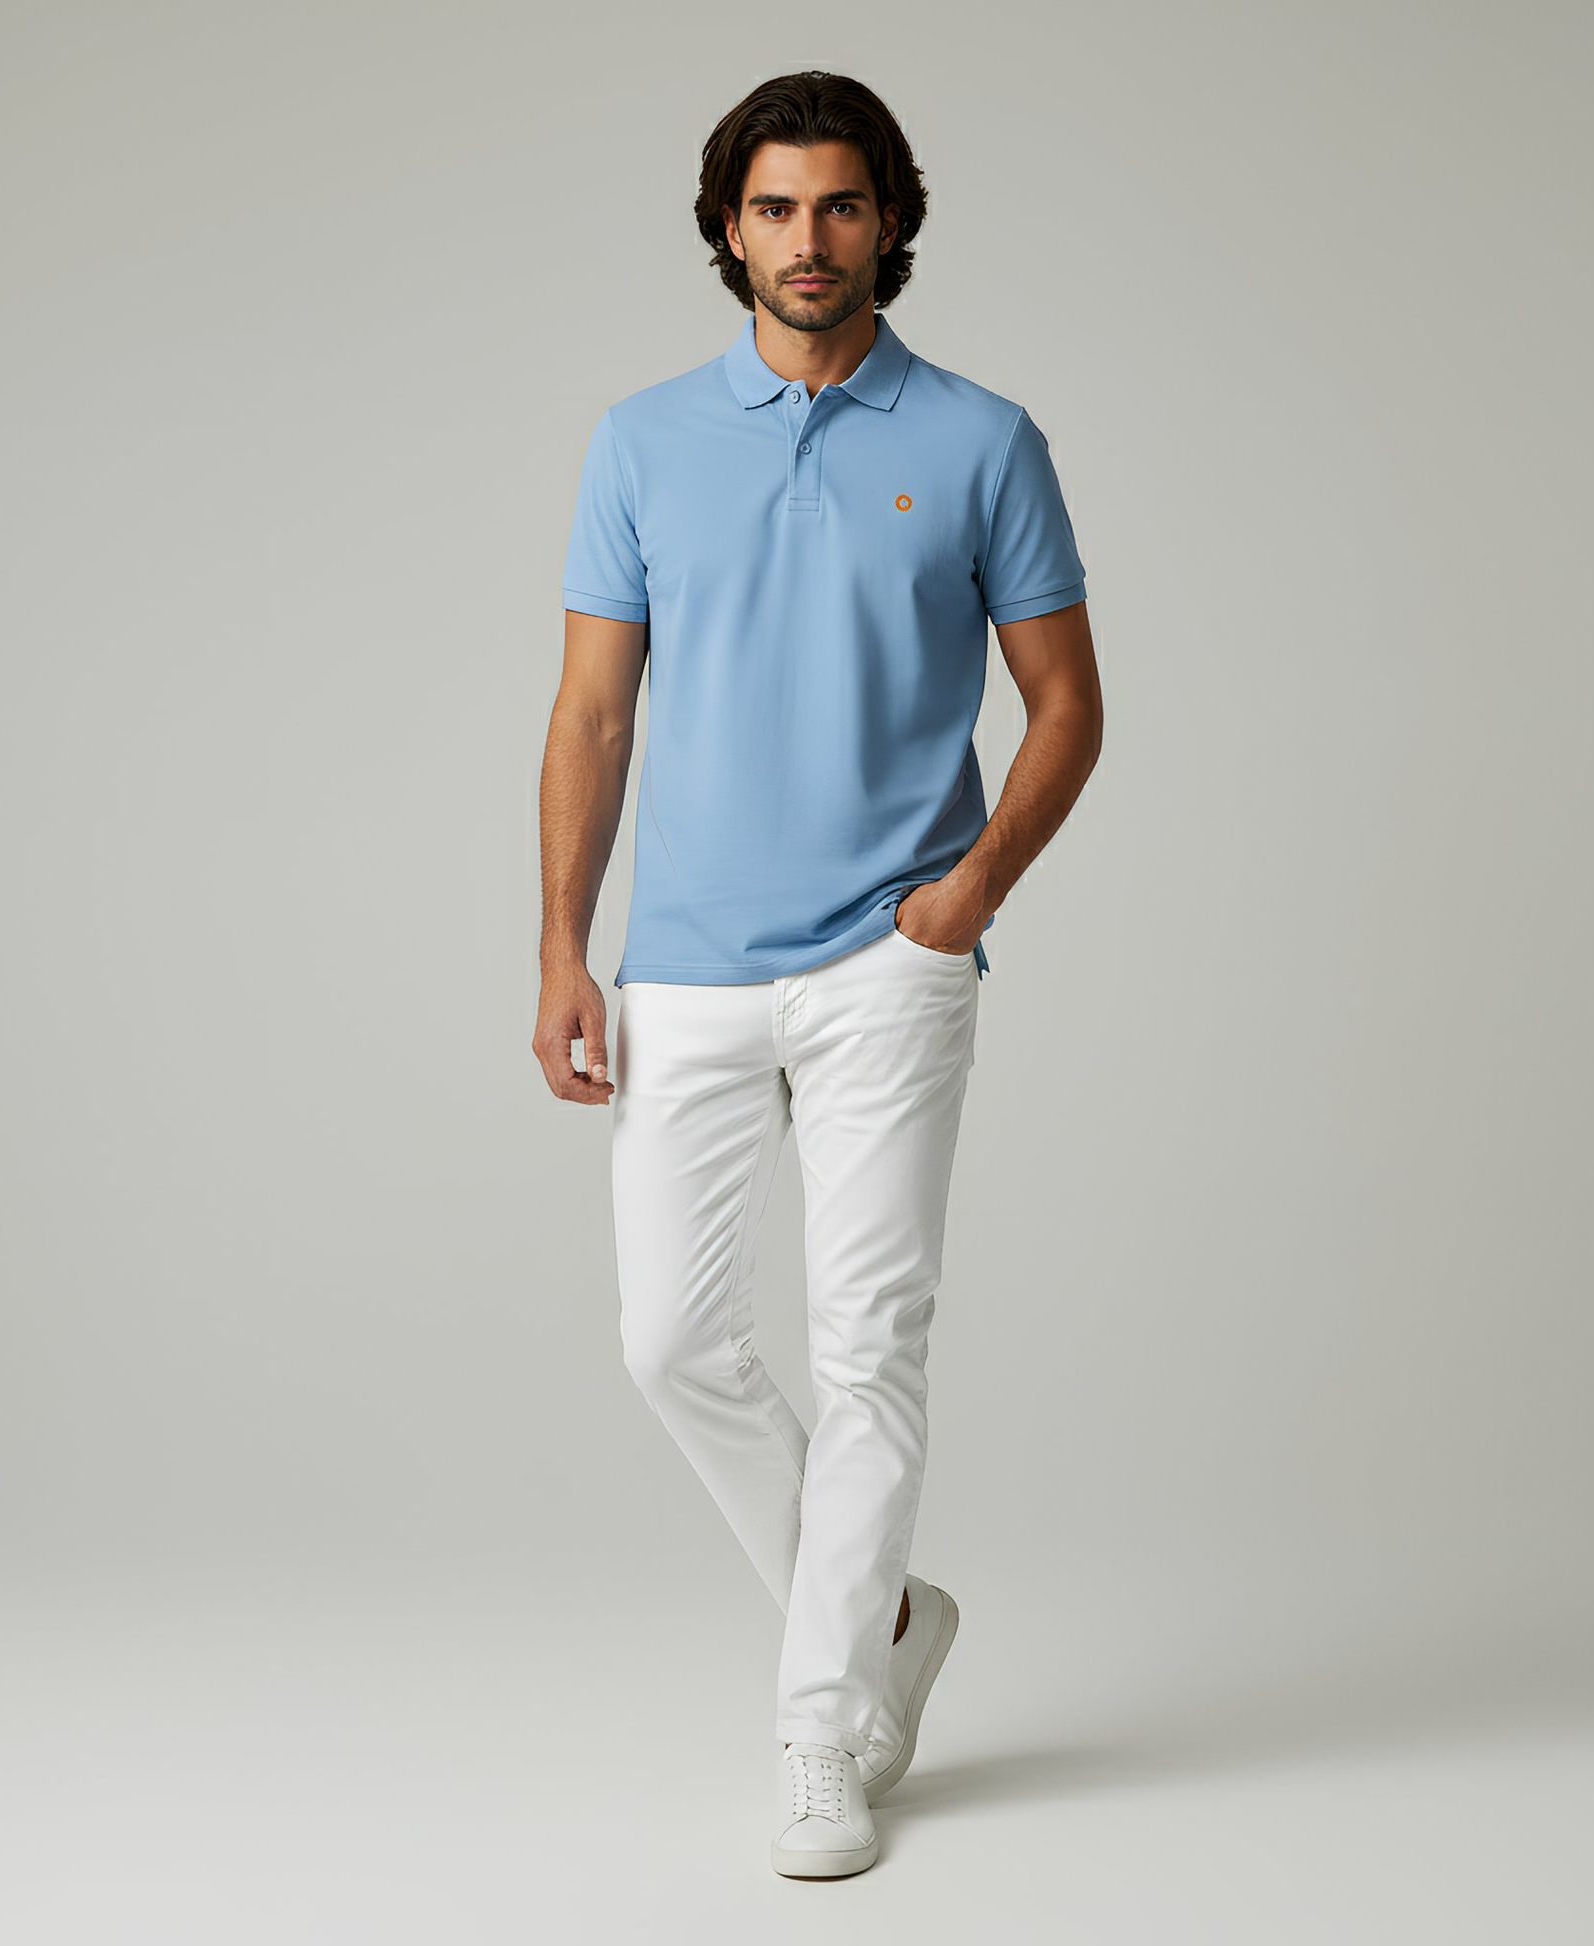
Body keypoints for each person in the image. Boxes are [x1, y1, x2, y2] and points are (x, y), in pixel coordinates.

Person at [533, 68, 1102, 1878]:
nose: (806, 239)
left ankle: (817, 1734)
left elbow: (1065, 705)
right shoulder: (640, 441)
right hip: (685, 968)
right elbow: (592, 714)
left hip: (888, 959)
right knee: (670, 1338)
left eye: (839, 205)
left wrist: (965, 892)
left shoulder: (984, 438)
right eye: (773, 207)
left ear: (888, 221)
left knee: (868, 1349)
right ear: (728, 227)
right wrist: (561, 944)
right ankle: (883, 1624)